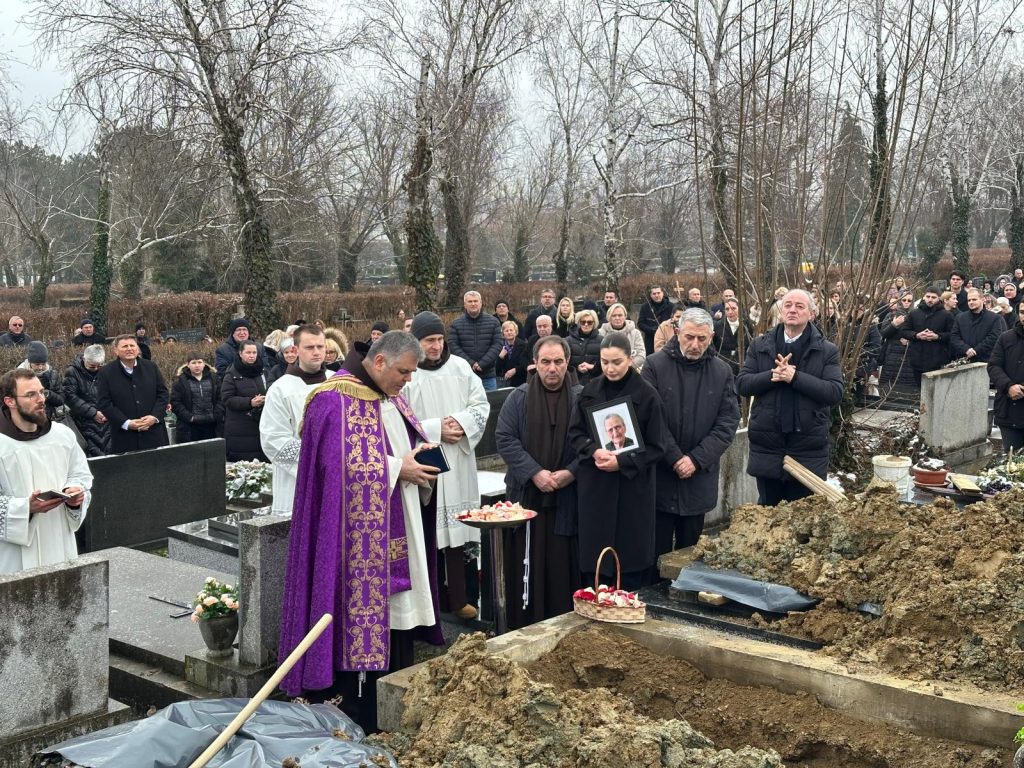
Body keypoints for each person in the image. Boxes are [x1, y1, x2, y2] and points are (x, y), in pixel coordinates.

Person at [278, 331, 443, 730]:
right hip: (349, 544)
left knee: (398, 622)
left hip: (401, 521)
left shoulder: (392, 396)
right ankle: (355, 711)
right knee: (357, 624)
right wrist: (396, 468)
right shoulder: (331, 399)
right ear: (380, 362)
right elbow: (334, 470)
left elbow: (398, 443)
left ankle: (391, 704)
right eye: (404, 372)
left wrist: (418, 457)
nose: (408, 380)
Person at [404, 311, 489, 621]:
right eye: (430, 340)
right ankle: (434, 601)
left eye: (440, 339)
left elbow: (480, 405)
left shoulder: (460, 367)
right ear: (417, 341)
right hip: (428, 462)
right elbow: (400, 419)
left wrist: (461, 424)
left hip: (459, 458)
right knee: (429, 531)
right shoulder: (408, 373)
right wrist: (436, 428)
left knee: (461, 529)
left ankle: (464, 596)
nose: (437, 346)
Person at [495, 335, 581, 629]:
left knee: (562, 567)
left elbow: (592, 444)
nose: (552, 368)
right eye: (545, 362)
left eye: (558, 361)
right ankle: (525, 623)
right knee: (527, 563)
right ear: (535, 363)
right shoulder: (518, 398)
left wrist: (571, 472)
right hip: (528, 497)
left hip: (567, 501)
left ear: (568, 362)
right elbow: (505, 439)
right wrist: (534, 472)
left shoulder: (582, 398)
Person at [568, 332, 666, 589]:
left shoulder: (648, 395)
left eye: (616, 362)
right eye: (604, 362)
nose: (610, 368)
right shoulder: (589, 391)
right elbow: (575, 434)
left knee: (629, 562)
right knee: (596, 562)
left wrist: (623, 463)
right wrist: (593, 450)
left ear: (630, 360)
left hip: (633, 491)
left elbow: (658, 447)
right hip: (596, 487)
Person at [642, 308, 739, 557]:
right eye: (689, 337)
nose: (695, 345)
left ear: (711, 337)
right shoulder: (655, 365)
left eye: (702, 339)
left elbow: (727, 422)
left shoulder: (722, 371)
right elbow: (648, 419)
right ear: (677, 333)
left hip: (699, 476)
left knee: (690, 556)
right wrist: (675, 458)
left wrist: (695, 459)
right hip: (662, 474)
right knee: (655, 555)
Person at [736, 289, 844, 505]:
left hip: (807, 447)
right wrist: (772, 376)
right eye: (788, 305)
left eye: (799, 306)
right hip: (767, 445)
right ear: (780, 311)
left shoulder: (826, 350)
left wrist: (795, 377)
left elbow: (834, 392)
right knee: (768, 511)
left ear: (812, 314)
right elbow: (742, 384)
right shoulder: (760, 345)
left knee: (802, 513)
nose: (792, 310)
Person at [0, 369, 92, 575]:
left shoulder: (63, 435)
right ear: (10, 401)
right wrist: (25, 508)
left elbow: (81, 476)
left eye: (42, 392)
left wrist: (75, 495)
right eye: (31, 394)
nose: (41, 399)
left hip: (59, 540)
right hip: (13, 553)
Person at [260, 325, 330, 516]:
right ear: (296, 350)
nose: (316, 352)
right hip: (296, 481)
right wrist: (317, 460)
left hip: (336, 478)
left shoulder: (338, 382)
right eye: (309, 347)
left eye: (320, 346)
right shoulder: (281, 389)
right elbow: (273, 439)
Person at [96, 335, 170, 454]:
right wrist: (127, 423)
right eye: (125, 346)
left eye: (132, 345)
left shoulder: (151, 367)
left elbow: (163, 394)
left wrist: (154, 417)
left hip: (154, 434)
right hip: (124, 437)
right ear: (116, 350)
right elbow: (104, 402)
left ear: (137, 348)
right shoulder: (106, 372)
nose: (129, 349)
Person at [221, 339, 269, 462]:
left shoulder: (264, 371)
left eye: (254, 352)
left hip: (262, 424)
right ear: (240, 354)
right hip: (240, 428)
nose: (252, 356)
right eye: (248, 352)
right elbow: (227, 398)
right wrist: (250, 402)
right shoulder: (231, 374)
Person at [448, 290, 502, 391]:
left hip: (488, 375)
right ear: (465, 305)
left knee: (491, 401)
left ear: (481, 303)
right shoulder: (456, 324)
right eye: (470, 301)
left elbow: (497, 344)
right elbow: (453, 346)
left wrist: (482, 363)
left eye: (475, 301)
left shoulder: (494, 322)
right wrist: (471, 363)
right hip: (464, 376)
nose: (473, 304)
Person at [62, 344, 110, 457]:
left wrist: (109, 411)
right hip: (84, 420)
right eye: (92, 366)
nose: (96, 369)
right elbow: (70, 397)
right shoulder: (72, 372)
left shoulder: (106, 371)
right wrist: (93, 413)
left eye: (99, 365)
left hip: (106, 419)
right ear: (84, 359)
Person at [901, 286, 954, 385]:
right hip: (917, 358)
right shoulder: (914, 313)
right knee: (918, 388)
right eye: (928, 296)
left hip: (938, 359)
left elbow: (952, 335)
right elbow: (904, 331)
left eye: (933, 297)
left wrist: (937, 336)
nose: (930, 299)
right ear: (924, 297)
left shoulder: (947, 315)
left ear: (939, 298)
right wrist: (917, 335)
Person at [989, 304, 1024, 451]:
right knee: (1012, 459)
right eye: (1022, 312)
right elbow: (993, 366)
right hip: (1009, 410)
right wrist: (1008, 386)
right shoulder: (1006, 337)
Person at [171, 356, 223, 443]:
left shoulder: (214, 378)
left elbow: (221, 398)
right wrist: (189, 417)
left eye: (199, 362)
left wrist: (216, 414)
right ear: (188, 365)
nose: (197, 365)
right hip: (190, 427)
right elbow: (175, 402)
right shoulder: (180, 381)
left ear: (204, 364)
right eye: (193, 363)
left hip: (212, 424)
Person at [951, 288, 1003, 363]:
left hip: (986, 360)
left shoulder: (995, 318)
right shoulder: (960, 318)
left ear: (983, 300)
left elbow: (994, 337)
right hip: (964, 359)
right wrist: (966, 349)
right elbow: (954, 337)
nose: (971, 302)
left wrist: (976, 350)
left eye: (974, 299)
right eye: (969, 300)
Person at [713, 298, 754, 374]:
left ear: (740, 309)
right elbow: (713, 347)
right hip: (723, 368)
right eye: (727, 309)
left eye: (733, 308)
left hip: (744, 367)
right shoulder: (717, 326)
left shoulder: (748, 325)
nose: (730, 312)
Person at [599, 303, 646, 368]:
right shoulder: (601, 333)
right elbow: (598, 355)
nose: (617, 318)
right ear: (609, 317)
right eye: (614, 316)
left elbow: (641, 355)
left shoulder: (635, 333)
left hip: (630, 369)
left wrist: (625, 367)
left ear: (625, 316)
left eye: (620, 315)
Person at [568, 309, 602, 385]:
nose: (586, 324)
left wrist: (593, 367)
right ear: (579, 323)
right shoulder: (568, 340)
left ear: (594, 323)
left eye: (589, 322)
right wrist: (577, 368)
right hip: (574, 382)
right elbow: (566, 363)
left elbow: (604, 363)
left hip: (595, 382)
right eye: (583, 322)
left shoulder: (602, 341)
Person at [637, 285, 675, 354]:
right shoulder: (645, 307)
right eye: (654, 294)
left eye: (658, 293)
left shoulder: (671, 306)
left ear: (662, 293)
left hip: (668, 339)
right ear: (650, 295)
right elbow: (640, 323)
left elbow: (675, 321)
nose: (656, 295)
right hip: (650, 340)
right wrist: (651, 330)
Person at [495, 320, 529, 388]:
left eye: (511, 330)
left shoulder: (524, 345)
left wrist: (515, 370)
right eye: (506, 331)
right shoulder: (499, 346)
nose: (509, 332)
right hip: (505, 383)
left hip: (520, 382)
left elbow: (525, 364)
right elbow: (496, 370)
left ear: (515, 332)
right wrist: (500, 357)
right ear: (503, 334)